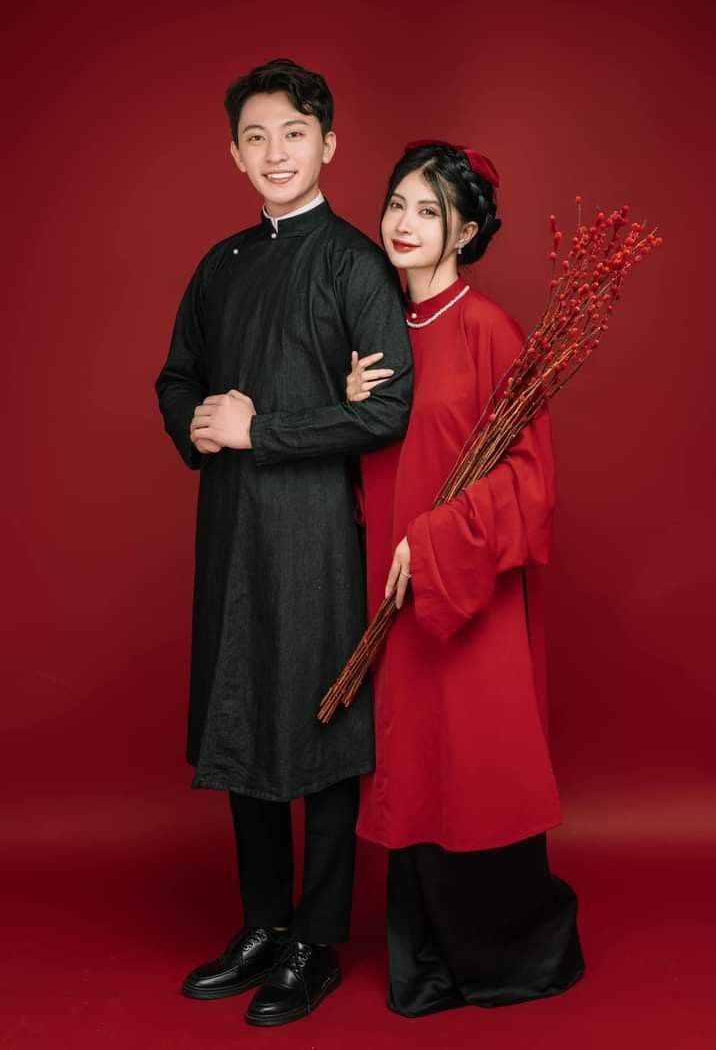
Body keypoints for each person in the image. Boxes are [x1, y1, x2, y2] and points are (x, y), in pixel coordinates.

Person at [155, 58, 412, 1028]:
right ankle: (262, 922)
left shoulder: (353, 263)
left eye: (293, 133)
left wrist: (261, 428)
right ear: (234, 152)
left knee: (321, 722)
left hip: (317, 532)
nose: (275, 152)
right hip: (230, 527)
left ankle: (316, 940)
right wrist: (199, 425)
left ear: (328, 144)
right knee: (241, 709)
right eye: (256, 136)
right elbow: (176, 377)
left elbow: (389, 406)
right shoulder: (219, 264)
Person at [346, 140, 584, 1016]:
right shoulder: (375, 332)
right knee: (413, 763)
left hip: (465, 591)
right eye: (396, 204)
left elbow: (531, 481)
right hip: (392, 593)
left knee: (476, 762)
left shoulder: (490, 330)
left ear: (468, 232)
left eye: (429, 211)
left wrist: (439, 537)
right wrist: (347, 406)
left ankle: (512, 958)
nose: (403, 224)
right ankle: (425, 965)